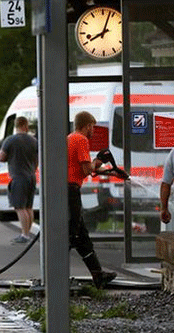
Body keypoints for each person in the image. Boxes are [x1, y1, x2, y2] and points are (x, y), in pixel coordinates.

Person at [68, 111, 118, 288]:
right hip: (71, 190)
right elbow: (86, 170)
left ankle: (98, 275)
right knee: (71, 234)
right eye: (93, 127)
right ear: (87, 125)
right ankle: (57, 275)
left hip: (67, 190)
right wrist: (98, 162)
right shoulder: (81, 140)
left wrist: (100, 166)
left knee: (82, 237)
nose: (94, 131)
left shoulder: (70, 138)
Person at [0, 116, 38, 244]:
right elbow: (37, 160)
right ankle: (28, 233)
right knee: (28, 207)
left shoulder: (10, 140)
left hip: (18, 177)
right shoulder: (33, 141)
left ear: (16, 126)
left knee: (20, 207)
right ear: (25, 125)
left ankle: (25, 235)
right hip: (31, 176)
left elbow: (1, 157)